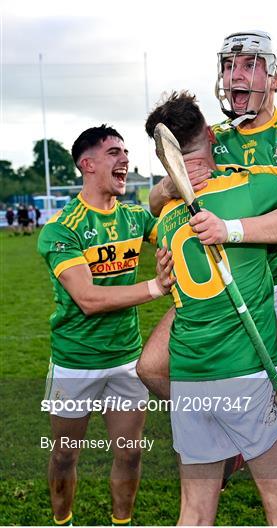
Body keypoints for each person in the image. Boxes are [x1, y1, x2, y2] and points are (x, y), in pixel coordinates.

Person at [139, 30, 277, 506]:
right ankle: (229, 441)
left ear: (275, 77)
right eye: (229, 66)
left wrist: (231, 228)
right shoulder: (216, 138)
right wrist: (166, 190)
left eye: (250, 65)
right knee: (152, 369)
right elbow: (158, 200)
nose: (235, 75)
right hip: (226, 276)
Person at [147, 91, 277, 525]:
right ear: (209, 135)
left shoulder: (164, 217)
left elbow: (155, 201)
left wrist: (165, 187)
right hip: (249, 376)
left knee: (195, 514)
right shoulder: (249, 188)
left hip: (189, 379)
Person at [37, 125, 175, 527]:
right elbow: (88, 298)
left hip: (126, 360)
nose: (124, 160)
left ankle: (121, 522)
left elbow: (182, 238)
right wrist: (155, 286)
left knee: (130, 452)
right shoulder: (61, 229)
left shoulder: (135, 218)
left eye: (126, 152)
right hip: (74, 361)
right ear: (87, 164)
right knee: (64, 453)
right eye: (114, 152)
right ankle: (63, 521)